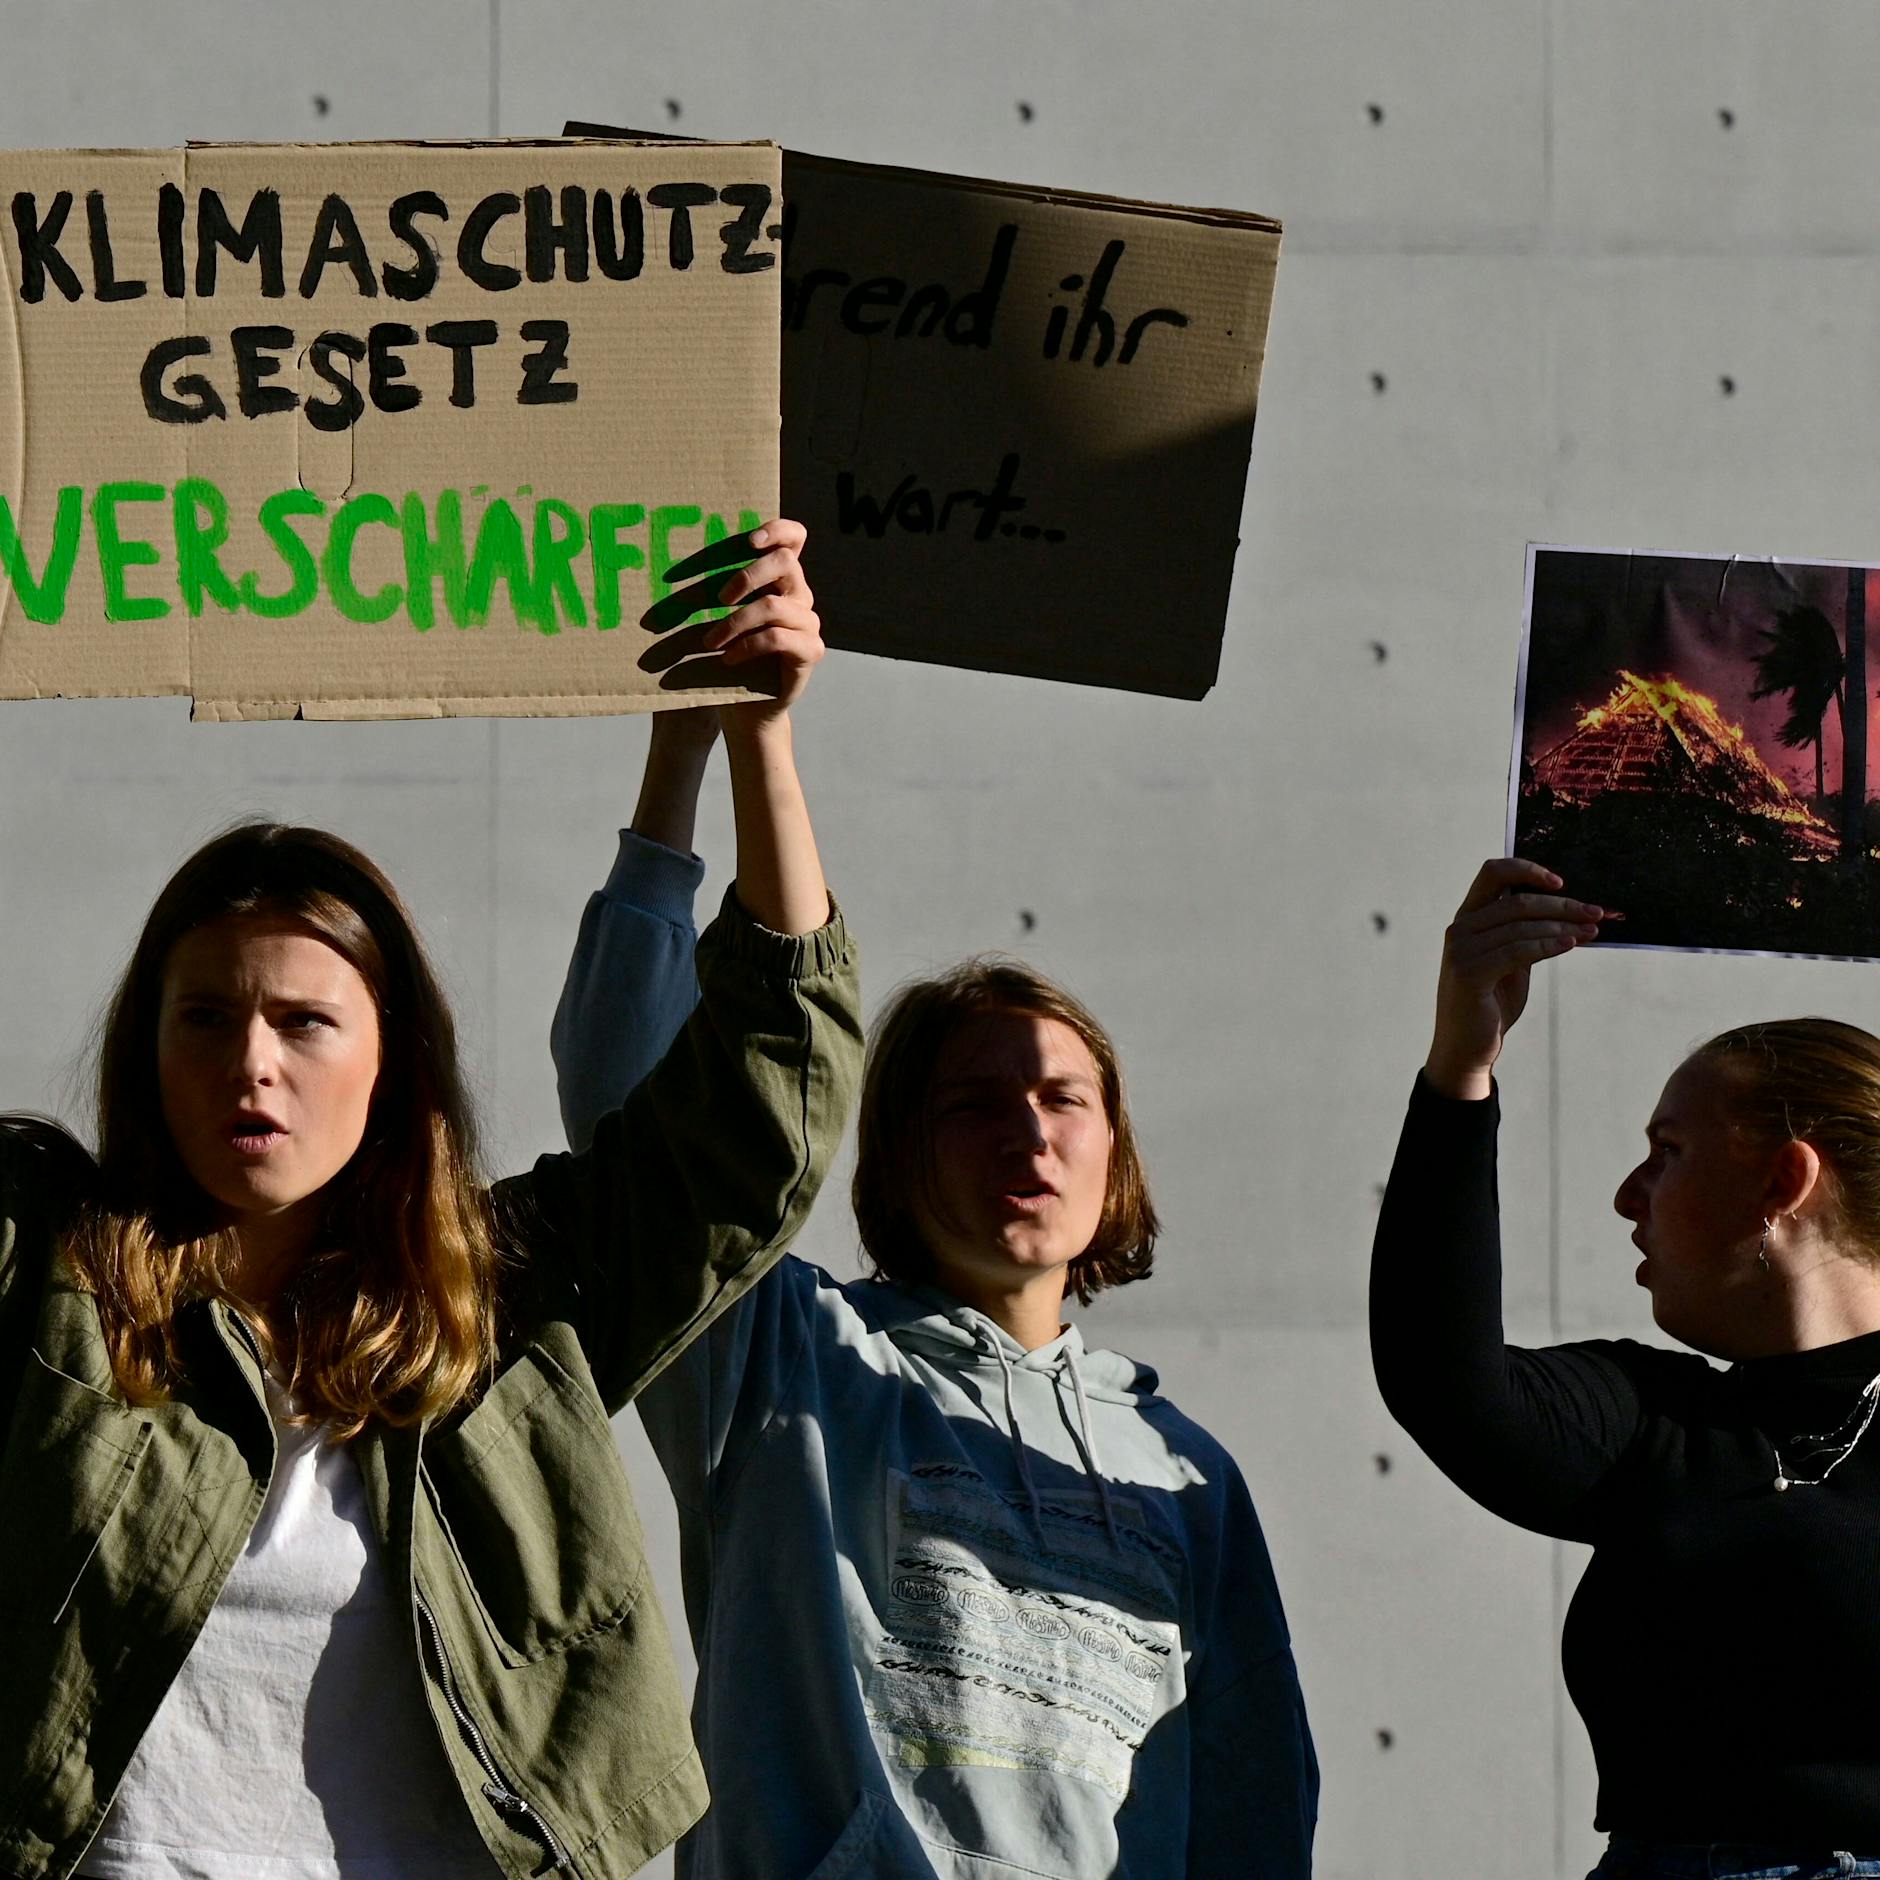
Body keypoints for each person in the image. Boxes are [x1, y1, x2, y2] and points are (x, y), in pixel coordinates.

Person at [1, 519, 862, 1880]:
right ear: (142, 1046)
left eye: (303, 1021)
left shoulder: (514, 1305)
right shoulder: (44, 1274)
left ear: (393, 1060)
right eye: (206, 1018)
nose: (252, 1064)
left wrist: (753, 738)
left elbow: (762, 1112)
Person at [551, 717, 1318, 1880]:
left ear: (1116, 1148)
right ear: (899, 1149)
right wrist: (697, 755)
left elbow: (1256, 1813)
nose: (1027, 1131)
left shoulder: (1182, 1475)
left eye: (1064, 1099)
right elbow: (629, 1110)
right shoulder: (780, 1358)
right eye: (973, 1103)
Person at [1372, 855, 1880, 1880]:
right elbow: (1446, 1378)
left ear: (1783, 1177)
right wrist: (1460, 1062)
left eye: (1667, 1150)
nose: (1624, 1193)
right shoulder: (1657, 1419)